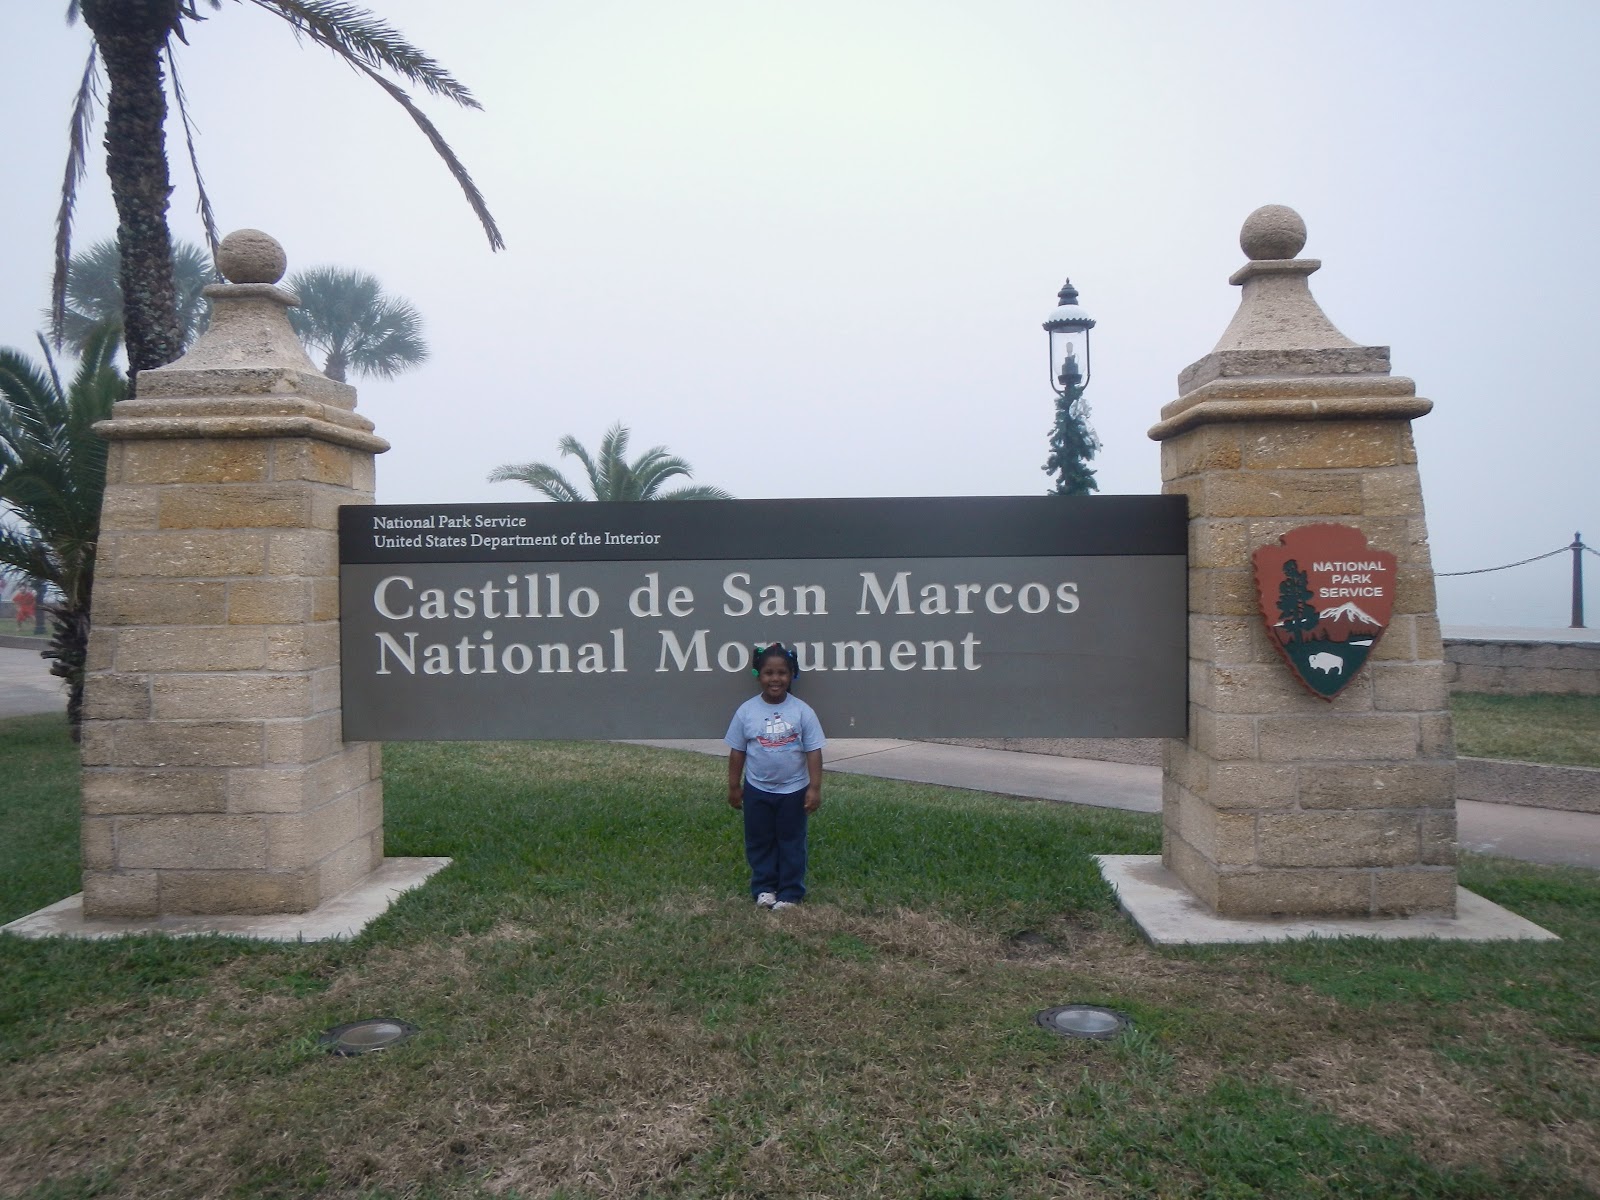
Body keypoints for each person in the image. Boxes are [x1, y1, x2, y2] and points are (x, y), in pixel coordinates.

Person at [725, 642, 826, 910]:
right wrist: (734, 787)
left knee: (792, 842)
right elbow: (737, 751)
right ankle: (764, 887)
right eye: (769, 673)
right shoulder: (746, 711)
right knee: (760, 840)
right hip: (757, 789)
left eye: (782, 672)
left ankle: (791, 892)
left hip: (794, 791)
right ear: (759, 675)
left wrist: (814, 788)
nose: (775, 679)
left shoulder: (802, 711)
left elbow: (813, 751)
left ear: (792, 675)